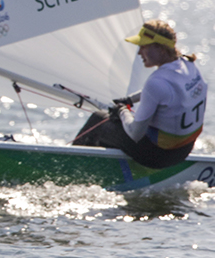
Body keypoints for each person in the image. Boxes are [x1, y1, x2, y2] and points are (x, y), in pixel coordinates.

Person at [73, 20, 207, 168]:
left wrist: (122, 110)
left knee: (99, 119)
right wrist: (130, 99)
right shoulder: (188, 65)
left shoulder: (156, 81)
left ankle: (73, 167)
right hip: (184, 151)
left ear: (161, 49)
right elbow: (165, 92)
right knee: (122, 123)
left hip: (157, 157)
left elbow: (135, 133)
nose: (139, 52)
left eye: (144, 47)